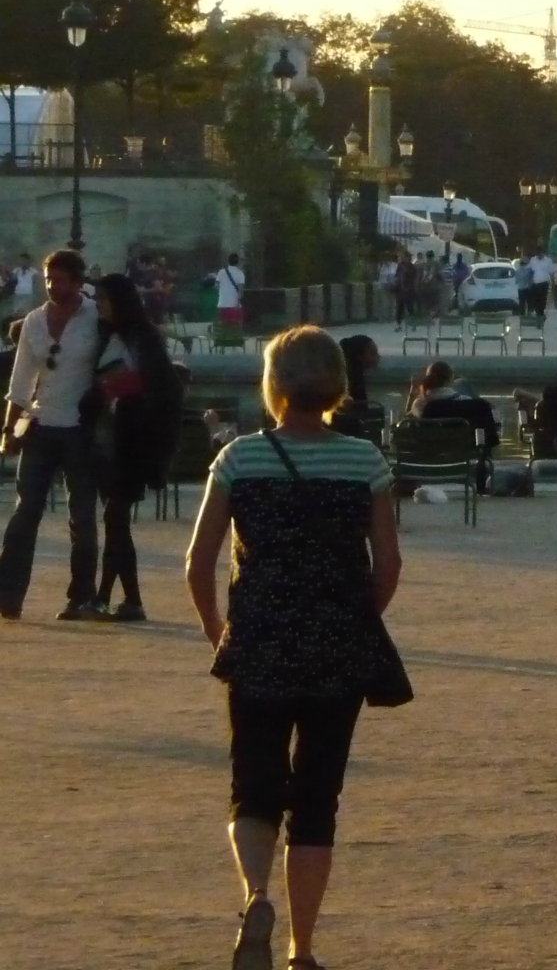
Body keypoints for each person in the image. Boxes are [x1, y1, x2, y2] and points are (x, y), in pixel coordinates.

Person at [184, 326, 405, 970]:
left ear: (273, 384)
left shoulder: (239, 459)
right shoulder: (365, 461)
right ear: (336, 383)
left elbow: (199, 564)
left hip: (257, 638)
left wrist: (216, 630)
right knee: (317, 798)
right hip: (336, 645)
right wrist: (358, 617)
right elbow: (388, 563)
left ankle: (255, 894)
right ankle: (302, 949)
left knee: (252, 788)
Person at [0, 249, 109, 620]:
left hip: (80, 428)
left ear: (78, 283)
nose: (52, 287)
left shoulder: (96, 317)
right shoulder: (33, 321)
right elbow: (21, 380)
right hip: (41, 426)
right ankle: (9, 595)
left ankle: (80, 596)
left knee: (82, 516)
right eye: (48, 279)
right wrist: (9, 429)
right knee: (25, 512)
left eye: (60, 280)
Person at [91, 273, 182, 621]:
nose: (99, 306)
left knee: (115, 518)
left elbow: (163, 394)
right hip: (116, 440)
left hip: (133, 442)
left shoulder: (139, 338)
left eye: (103, 300)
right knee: (116, 521)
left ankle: (123, 599)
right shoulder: (121, 336)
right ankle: (123, 599)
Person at [327, 335, 382, 443]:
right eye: (373, 353)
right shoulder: (351, 377)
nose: (378, 357)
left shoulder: (346, 372)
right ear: (359, 356)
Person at [215, 253, 248, 328]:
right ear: (238, 262)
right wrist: (238, 303)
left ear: (228, 261)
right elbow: (240, 291)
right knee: (235, 327)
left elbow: (216, 286)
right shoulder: (240, 274)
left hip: (222, 304)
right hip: (234, 305)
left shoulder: (221, 272)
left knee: (223, 326)